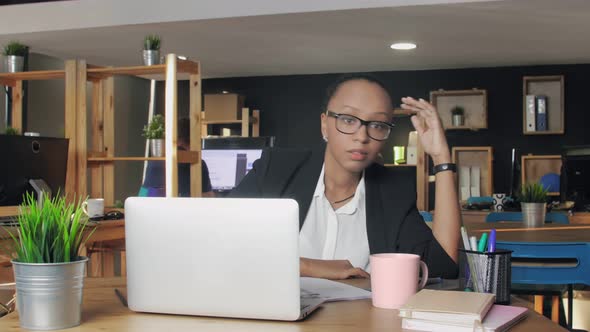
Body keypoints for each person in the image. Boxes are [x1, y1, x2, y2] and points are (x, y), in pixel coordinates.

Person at [230, 74, 460, 279]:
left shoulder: (394, 191)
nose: (362, 136)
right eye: (349, 120)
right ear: (324, 124)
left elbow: (443, 265)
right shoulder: (276, 169)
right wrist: (308, 267)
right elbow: (222, 244)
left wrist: (441, 157)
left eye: (378, 125)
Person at [140, 117, 215, 198]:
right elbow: (208, 198)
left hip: (157, 209)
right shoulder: (197, 163)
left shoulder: (155, 162)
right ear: (194, 139)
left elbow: (143, 196)